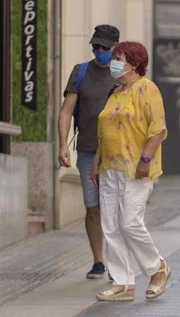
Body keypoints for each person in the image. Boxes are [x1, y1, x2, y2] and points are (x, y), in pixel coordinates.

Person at [91, 41, 170, 301]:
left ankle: (157, 267)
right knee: (110, 225)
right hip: (109, 167)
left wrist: (145, 158)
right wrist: (96, 162)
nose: (113, 62)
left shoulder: (147, 89)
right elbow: (105, 132)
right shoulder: (115, 92)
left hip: (135, 166)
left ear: (134, 63)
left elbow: (158, 129)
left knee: (130, 222)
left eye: (118, 57)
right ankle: (123, 282)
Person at [58, 24, 120, 280]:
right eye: (96, 46)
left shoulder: (123, 74)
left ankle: (118, 263)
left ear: (116, 47)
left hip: (117, 152)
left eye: (105, 47)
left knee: (115, 209)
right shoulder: (81, 71)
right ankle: (98, 260)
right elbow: (65, 111)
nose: (99, 51)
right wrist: (62, 145)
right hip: (86, 150)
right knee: (93, 207)